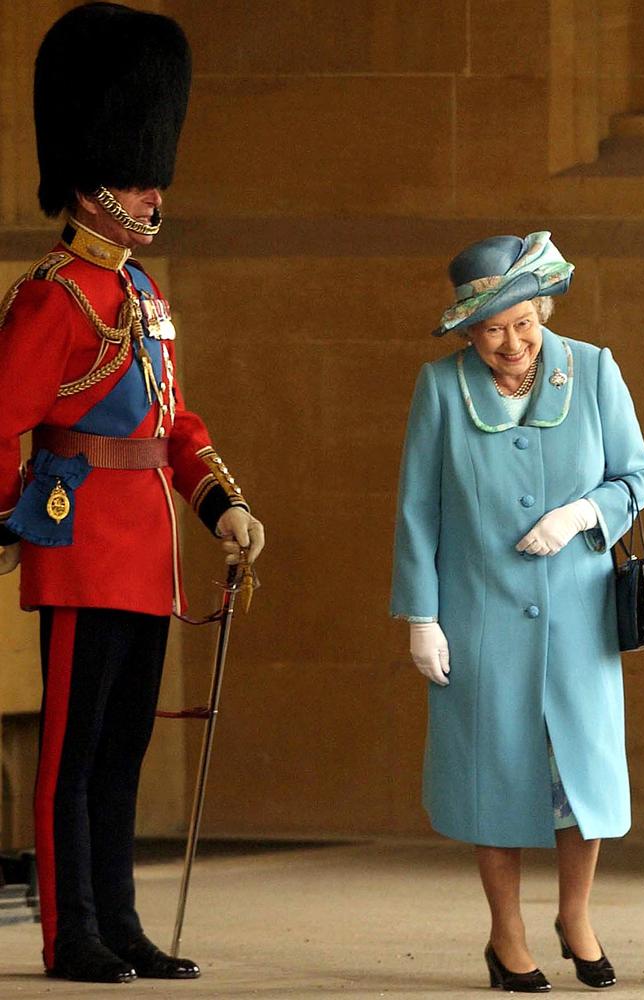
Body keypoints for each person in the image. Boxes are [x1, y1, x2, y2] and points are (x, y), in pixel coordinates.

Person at [0, 2, 264, 985]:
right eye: (137, 173)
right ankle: (72, 932)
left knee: (118, 761)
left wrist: (219, 507)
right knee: (70, 761)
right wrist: (9, 516)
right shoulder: (54, 294)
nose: (153, 191)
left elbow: (174, 427)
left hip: (146, 556)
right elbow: (0, 417)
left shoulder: (142, 297)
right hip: (76, 554)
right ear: (94, 181)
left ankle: (121, 921)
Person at [391, 231, 644, 992]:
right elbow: (417, 509)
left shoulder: (594, 369)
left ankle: (577, 917)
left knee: (582, 781)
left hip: (577, 617)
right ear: (469, 331)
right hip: (478, 615)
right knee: (493, 777)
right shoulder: (440, 388)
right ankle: (507, 937)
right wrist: (420, 615)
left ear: (542, 307)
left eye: (524, 323)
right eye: (494, 329)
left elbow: (638, 474)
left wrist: (580, 517)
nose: (512, 342)